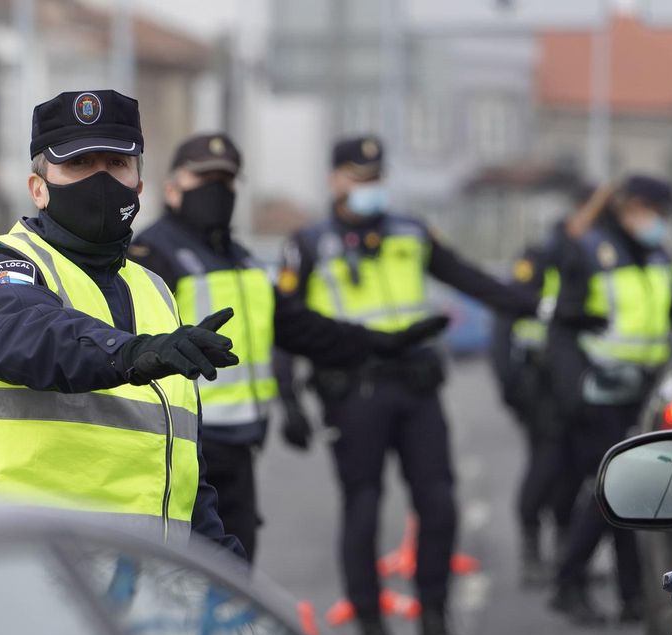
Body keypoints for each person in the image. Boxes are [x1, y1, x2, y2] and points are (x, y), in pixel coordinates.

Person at [0, 90, 244, 559]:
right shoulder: (0, 268)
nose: (100, 180)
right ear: (38, 187)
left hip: (142, 596)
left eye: (116, 165)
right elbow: (25, 334)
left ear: (140, 184)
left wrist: (227, 580)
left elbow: (180, 471)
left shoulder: (155, 291)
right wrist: (129, 354)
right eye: (79, 165)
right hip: (16, 583)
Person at [275, 135, 538, 635]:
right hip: (354, 394)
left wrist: (542, 307)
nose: (370, 188)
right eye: (358, 177)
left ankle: (436, 633)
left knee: (440, 507)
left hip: (416, 389)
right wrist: (288, 398)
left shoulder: (410, 233)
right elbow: (285, 327)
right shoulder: (308, 243)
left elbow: (471, 280)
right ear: (335, 179)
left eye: (376, 177)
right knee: (363, 510)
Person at [129, 133, 450, 563]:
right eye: (204, 178)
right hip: (182, 447)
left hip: (239, 448)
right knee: (188, 581)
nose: (217, 190)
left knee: (236, 578)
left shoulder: (240, 259)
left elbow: (300, 328)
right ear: (172, 187)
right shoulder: (150, 255)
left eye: (226, 181)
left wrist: (382, 343)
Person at [546, 174, 672, 625]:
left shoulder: (657, 255)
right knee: (616, 490)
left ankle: (630, 595)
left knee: (634, 492)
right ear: (634, 208)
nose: (659, 223)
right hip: (601, 392)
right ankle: (568, 583)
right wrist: (576, 392)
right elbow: (563, 327)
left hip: (642, 390)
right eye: (656, 214)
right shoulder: (592, 253)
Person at [489, 188, 591, 587]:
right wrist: (509, 384)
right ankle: (532, 551)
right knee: (545, 465)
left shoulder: (578, 264)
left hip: (572, 382)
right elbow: (504, 325)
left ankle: (565, 550)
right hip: (538, 385)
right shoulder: (533, 265)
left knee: (572, 468)